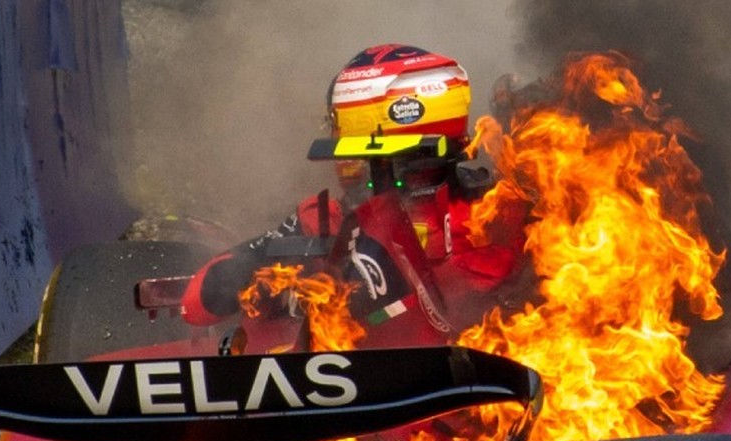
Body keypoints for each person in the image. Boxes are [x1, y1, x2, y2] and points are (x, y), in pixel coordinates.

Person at [178, 44, 530, 348]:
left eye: (336, 122)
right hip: (362, 410)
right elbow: (196, 303)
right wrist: (260, 279)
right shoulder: (324, 219)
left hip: (501, 408)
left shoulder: (504, 212)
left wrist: (371, 279)